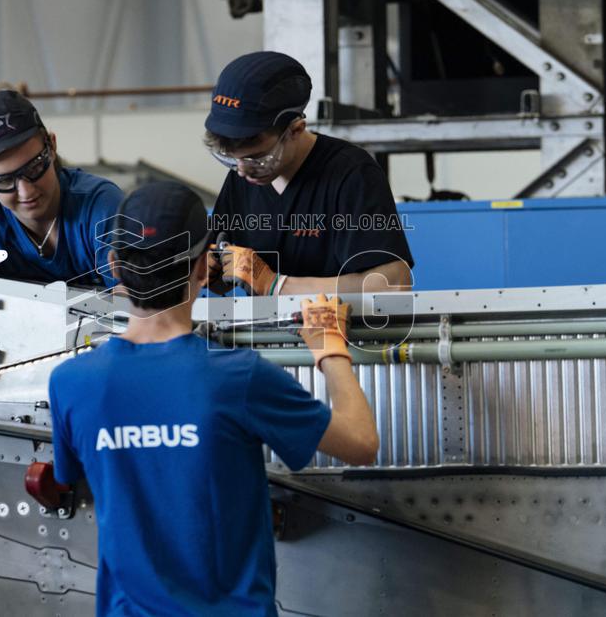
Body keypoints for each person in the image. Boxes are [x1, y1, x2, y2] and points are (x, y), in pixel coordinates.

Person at [49, 181, 379, 616]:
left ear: (114, 265)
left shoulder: (71, 384)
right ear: (204, 268)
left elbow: (72, 476)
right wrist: (329, 346)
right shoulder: (239, 377)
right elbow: (360, 442)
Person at [205, 51, 414, 296]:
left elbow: (393, 284)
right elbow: (222, 265)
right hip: (263, 333)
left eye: (258, 158)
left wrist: (276, 285)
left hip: (338, 331)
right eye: (232, 160)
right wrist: (209, 271)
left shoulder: (351, 173)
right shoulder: (243, 177)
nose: (242, 171)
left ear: (296, 129)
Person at [0, 90, 122, 286]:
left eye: (35, 166)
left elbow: (134, 305)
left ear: (52, 146)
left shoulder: (100, 209)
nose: (26, 192)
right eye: (3, 181)